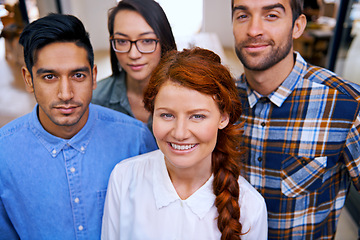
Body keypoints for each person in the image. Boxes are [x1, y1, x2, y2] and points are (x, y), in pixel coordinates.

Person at [0, 13, 157, 239]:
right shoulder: (3, 154)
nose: (66, 94)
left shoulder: (135, 139)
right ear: (28, 79)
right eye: (50, 77)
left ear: (93, 77)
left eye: (78, 75)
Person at [101, 48, 268, 240]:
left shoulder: (250, 206)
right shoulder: (124, 179)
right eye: (167, 115)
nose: (180, 133)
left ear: (223, 117)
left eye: (197, 116)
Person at [231, 0, 360, 239]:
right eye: (242, 16)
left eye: (271, 15)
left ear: (297, 26)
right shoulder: (221, 101)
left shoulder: (346, 105)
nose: (253, 29)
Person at [92, 0, 177, 131]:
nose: (133, 54)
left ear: (164, 41)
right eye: (122, 41)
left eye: (147, 41)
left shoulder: (189, 95)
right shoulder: (96, 101)